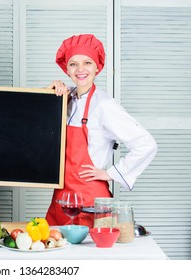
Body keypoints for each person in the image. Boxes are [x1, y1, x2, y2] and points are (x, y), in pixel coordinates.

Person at [45, 34, 157, 228]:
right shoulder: (66, 99)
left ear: (97, 67)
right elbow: (31, 128)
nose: (80, 69)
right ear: (66, 69)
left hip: (90, 202)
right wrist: (46, 94)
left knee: (91, 256)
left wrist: (111, 173)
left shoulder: (104, 105)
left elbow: (146, 144)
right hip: (61, 198)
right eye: (73, 64)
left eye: (87, 62)